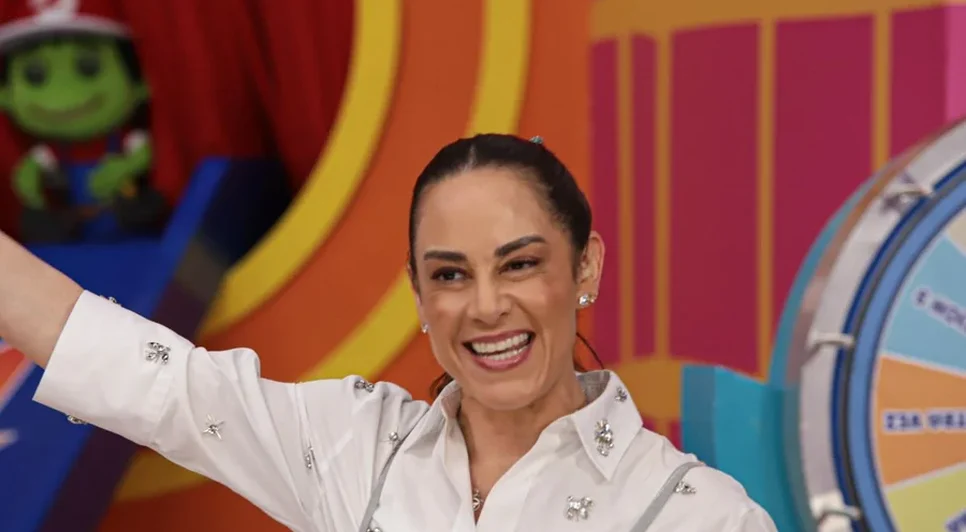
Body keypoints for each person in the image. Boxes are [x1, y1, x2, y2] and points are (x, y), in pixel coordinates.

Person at [0, 134, 777, 531]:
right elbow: (156, 383)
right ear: (418, 294)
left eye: (519, 265)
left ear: (585, 267)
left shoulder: (696, 514)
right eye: (450, 275)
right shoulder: (356, 446)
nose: (486, 306)